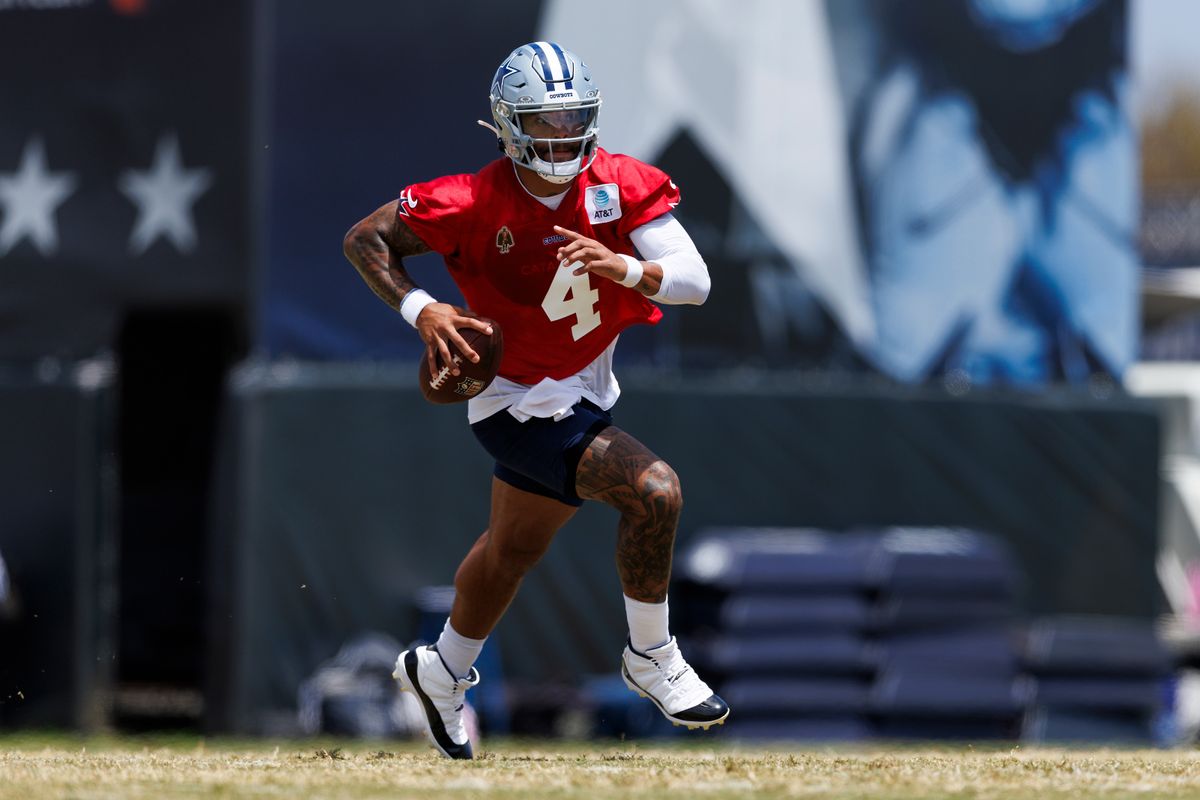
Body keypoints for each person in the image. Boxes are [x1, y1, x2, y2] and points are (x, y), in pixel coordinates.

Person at [343, 41, 727, 759]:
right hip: (514, 396)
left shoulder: (620, 183)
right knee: (655, 491)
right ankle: (652, 655)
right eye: (543, 122)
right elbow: (366, 239)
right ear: (508, 125)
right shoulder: (468, 199)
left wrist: (628, 267)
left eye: (572, 118)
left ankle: (443, 669)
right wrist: (422, 308)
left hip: (582, 385)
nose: (560, 135)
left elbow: (693, 280)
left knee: (511, 553)